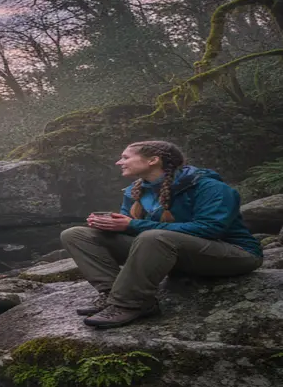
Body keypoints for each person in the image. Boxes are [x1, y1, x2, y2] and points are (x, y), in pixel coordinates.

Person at [59, 140, 262, 329]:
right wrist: (109, 225)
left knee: (153, 236)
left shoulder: (209, 186)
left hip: (234, 254)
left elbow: (210, 229)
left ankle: (131, 304)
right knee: (76, 234)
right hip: (170, 251)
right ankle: (113, 294)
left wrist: (134, 225)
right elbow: (134, 228)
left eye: (125, 157)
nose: (119, 162)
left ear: (153, 160)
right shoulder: (134, 191)